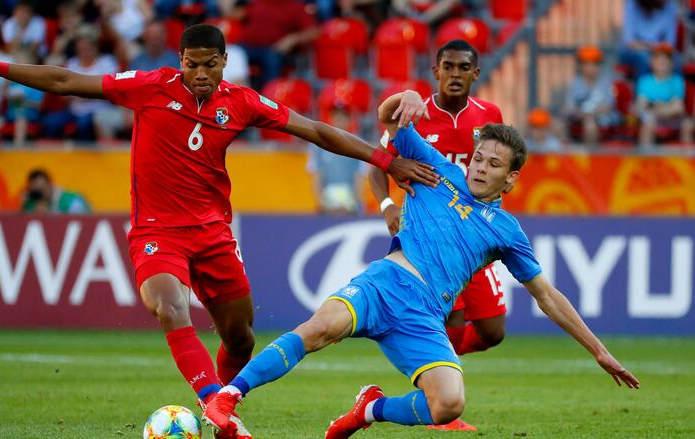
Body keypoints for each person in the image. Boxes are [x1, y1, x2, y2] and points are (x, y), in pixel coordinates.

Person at [0, 23, 438, 439]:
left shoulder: (242, 102)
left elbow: (316, 130)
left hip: (214, 233)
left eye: (208, 64)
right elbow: (66, 81)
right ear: (180, 60)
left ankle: (222, 406)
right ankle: (215, 404)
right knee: (167, 306)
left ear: (224, 64)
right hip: (157, 229)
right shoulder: (150, 87)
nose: (198, 73)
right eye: (190, 63)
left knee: (240, 338)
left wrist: (385, 161)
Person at [202, 93, 641, 439]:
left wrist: (599, 350)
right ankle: (227, 397)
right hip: (383, 284)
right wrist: (407, 95)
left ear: (510, 178)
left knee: (449, 404)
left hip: (424, 316)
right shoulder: (437, 171)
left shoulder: (506, 231)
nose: (479, 168)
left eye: (493, 164)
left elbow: (547, 296)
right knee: (317, 329)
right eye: (478, 158)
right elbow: (389, 120)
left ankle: (369, 408)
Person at [368, 40, 504, 430]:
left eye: (464, 68)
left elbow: (498, 165)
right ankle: (438, 402)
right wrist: (386, 206)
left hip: (474, 240)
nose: (456, 74)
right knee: (453, 322)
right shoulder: (415, 114)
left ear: (476, 73)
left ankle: (430, 372)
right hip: (429, 240)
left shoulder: (490, 115)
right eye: (448, 67)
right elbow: (376, 166)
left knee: (493, 332)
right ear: (436, 71)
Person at [636, 43, 692, 147]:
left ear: (671, 63)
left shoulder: (677, 81)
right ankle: (646, 157)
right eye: (658, 59)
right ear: (651, 62)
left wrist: (656, 106)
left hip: (671, 119)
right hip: (652, 118)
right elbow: (641, 106)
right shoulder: (644, 81)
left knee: (687, 124)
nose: (662, 62)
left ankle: (687, 160)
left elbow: (678, 107)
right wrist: (663, 107)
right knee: (648, 123)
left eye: (666, 59)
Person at [563, 45, 620, 147]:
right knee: (558, 125)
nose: (591, 67)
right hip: (579, 119)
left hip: (602, 121)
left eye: (594, 64)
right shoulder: (575, 83)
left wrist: (589, 114)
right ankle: (565, 159)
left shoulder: (606, 82)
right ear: (581, 66)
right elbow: (569, 107)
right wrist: (578, 113)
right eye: (587, 63)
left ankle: (589, 159)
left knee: (589, 124)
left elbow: (607, 107)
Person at [21, 168, 91, 214]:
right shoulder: (30, 202)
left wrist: (50, 214)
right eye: (36, 190)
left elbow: (82, 221)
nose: (39, 191)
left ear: (50, 185)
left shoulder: (71, 200)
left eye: (41, 188)